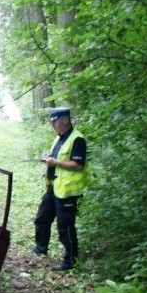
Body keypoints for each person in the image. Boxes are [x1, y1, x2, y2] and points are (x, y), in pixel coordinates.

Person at [33, 107, 90, 271]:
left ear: (65, 120)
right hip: (53, 187)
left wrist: (56, 163)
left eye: (54, 120)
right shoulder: (59, 138)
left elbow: (78, 165)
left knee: (65, 226)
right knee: (42, 218)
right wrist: (48, 158)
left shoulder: (77, 139)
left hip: (67, 191)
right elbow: (56, 157)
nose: (52, 124)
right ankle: (40, 248)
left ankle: (70, 260)